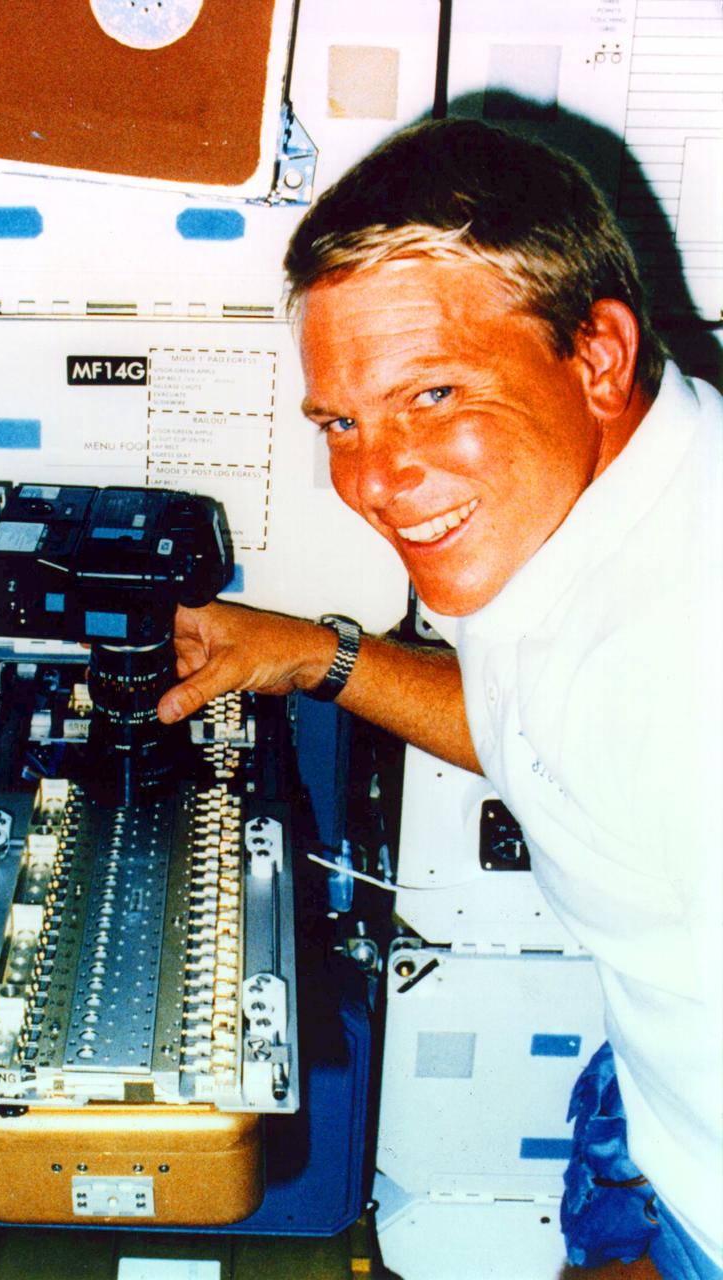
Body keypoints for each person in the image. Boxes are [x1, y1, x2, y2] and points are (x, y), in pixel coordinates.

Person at [156, 119, 722, 1278]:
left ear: (597, 355)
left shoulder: (687, 693)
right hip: (650, 1094)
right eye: (343, 422)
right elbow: (539, 732)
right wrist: (314, 654)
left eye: (432, 392)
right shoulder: (598, 490)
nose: (373, 477)